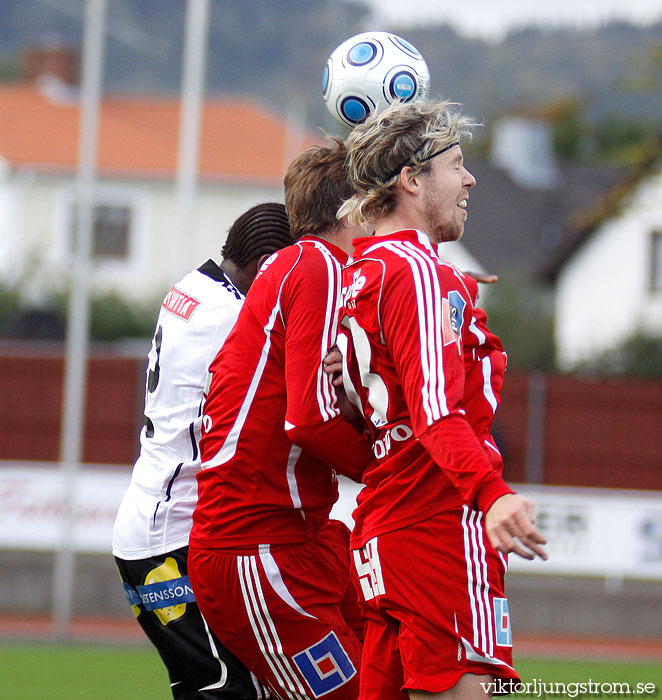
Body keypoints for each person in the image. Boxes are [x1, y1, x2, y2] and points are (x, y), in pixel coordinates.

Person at [335, 100, 548, 700]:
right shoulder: (416, 274)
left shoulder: (362, 273)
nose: (471, 179)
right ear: (412, 179)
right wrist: (491, 494)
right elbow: (434, 410)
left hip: (382, 527)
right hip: (438, 524)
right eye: (457, 165)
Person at [188, 139, 374, 700]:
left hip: (295, 537)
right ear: (350, 209)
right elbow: (309, 422)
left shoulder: (295, 268)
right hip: (255, 547)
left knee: (391, 671)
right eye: (375, 198)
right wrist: (390, 473)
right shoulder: (316, 265)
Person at [112, 202, 293, 700]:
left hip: (152, 524)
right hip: (169, 538)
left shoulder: (193, 289)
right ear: (266, 269)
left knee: (207, 687)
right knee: (231, 689)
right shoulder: (232, 316)